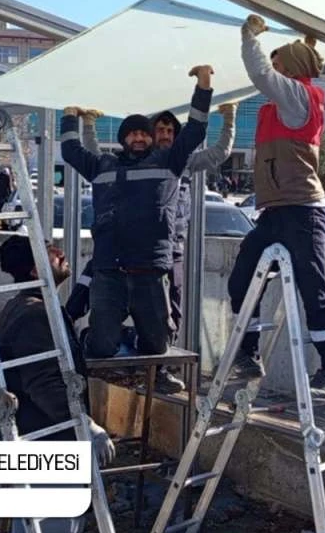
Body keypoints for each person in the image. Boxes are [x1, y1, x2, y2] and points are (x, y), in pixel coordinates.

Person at [0, 234, 114, 533]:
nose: (61, 252)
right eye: (51, 251)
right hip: (46, 439)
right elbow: (46, 385)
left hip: (31, 437)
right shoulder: (35, 316)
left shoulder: (28, 307)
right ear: (34, 271)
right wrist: (87, 427)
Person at [73, 101, 238, 393]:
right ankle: (98, 339)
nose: (164, 135)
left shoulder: (180, 160)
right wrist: (88, 126)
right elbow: (97, 161)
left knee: (169, 313)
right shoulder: (132, 162)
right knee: (92, 288)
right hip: (121, 250)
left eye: (169, 131)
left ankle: (157, 367)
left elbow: (219, 152)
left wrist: (229, 118)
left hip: (169, 248)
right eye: (159, 129)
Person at [59, 69, 213, 374]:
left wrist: (204, 87)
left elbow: (195, 132)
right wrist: (69, 117)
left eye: (144, 134)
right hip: (110, 271)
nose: (139, 138)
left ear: (151, 139)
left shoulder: (168, 162)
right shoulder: (103, 166)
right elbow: (70, 151)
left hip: (149, 271)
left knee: (157, 345)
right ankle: (95, 336)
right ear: (123, 139)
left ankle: (129, 337)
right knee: (102, 347)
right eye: (133, 134)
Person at [227, 14, 325, 404]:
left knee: (314, 287)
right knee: (243, 277)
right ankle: (248, 354)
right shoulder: (288, 101)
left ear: (292, 70)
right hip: (275, 211)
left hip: (302, 209)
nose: (272, 73)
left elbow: (261, 73)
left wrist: (249, 37)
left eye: (279, 65)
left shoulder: (298, 96)